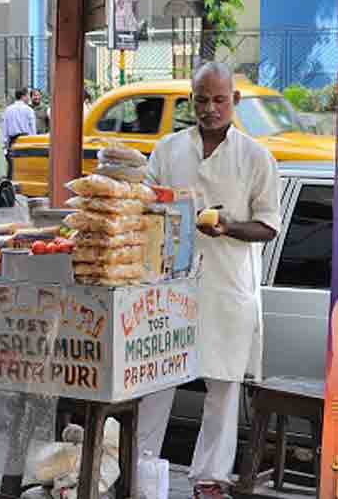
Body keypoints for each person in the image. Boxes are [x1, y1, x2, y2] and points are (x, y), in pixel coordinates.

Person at [136, 62, 280, 499]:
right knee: (157, 379)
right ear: (191, 100)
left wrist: (229, 226)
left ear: (234, 101)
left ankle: (210, 480)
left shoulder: (256, 156)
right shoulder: (168, 150)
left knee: (222, 387)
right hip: (170, 288)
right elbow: (144, 199)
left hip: (225, 287)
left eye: (219, 99)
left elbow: (269, 225)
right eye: (202, 99)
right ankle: (140, 472)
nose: (210, 108)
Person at [0, 88, 36, 179]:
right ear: (23, 96)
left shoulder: (8, 110)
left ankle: (10, 187)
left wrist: (4, 145)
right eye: (28, 95)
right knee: (25, 167)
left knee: (12, 167)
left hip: (13, 141)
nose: (29, 97)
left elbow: (4, 128)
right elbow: (32, 128)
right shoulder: (29, 110)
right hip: (26, 140)